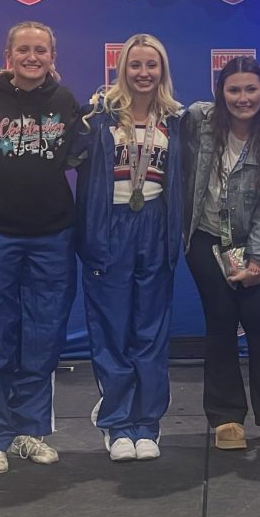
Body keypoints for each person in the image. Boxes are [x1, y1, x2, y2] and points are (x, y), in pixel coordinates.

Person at [0, 22, 82, 474]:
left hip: (53, 234)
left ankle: (30, 432)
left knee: (43, 334)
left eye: (41, 50)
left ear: (53, 57)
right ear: (8, 56)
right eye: (24, 50)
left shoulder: (65, 102)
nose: (33, 57)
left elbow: (77, 156)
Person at [181, 56, 260, 453]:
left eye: (250, 89)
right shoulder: (198, 122)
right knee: (220, 322)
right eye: (234, 90)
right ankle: (226, 417)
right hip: (205, 238)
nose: (242, 98)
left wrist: (257, 263)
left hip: (256, 246)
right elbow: (157, 110)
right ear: (220, 93)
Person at [74, 33, 183, 462]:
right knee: (111, 329)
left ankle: (147, 424)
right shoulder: (98, 117)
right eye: (135, 65)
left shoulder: (175, 120)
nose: (143, 73)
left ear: (162, 70)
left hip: (155, 225)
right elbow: (65, 155)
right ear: (122, 70)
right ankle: (117, 423)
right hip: (109, 225)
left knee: (150, 331)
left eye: (151, 65)